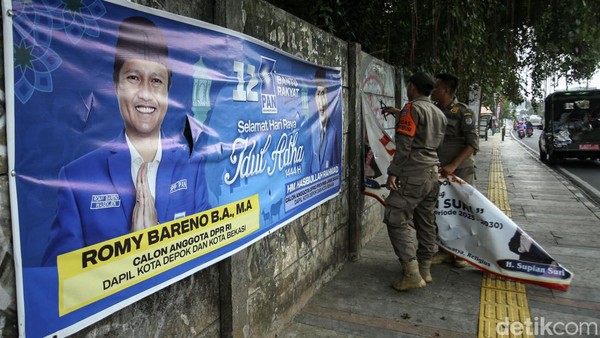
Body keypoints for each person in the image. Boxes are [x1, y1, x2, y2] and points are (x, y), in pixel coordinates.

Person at [42, 16, 210, 265]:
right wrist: (133, 253)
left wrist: (158, 242)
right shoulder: (76, 178)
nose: (145, 94)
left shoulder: (191, 166)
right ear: (116, 84)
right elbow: (60, 285)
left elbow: (207, 251)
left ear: (168, 90)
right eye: (133, 78)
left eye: (156, 81)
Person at [381, 72, 447, 291]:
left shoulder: (411, 109)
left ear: (413, 87)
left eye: (409, 85)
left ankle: (411, 272)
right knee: (425, 219)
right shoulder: (439, 112)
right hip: (432, 173)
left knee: (395, 216)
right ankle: (425, 269)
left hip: (413, 173)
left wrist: (393, 172)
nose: (407, 88)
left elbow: (405, 145)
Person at [429, 73, 479, 268]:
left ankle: (461, 254)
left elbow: (472, 144)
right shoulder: (434, 110)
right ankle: (445, 251)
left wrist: (453, 166)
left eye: (436, 87)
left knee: (460, 211)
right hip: (440, 172)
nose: (433, 90)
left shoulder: (463, 113)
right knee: (440, 211)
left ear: (446, 91)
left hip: (460, 172)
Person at [309, 68, 340, 173]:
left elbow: (335, 168)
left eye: (324, 93)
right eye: (318, 94)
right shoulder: (308, 132)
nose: (322, 101)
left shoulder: (332, 131)